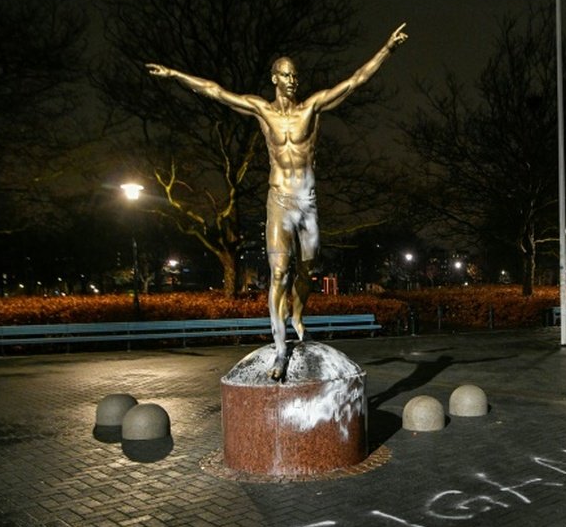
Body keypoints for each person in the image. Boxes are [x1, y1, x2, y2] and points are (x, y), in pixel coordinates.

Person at [147, 24, 408, 379]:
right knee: (279, 272)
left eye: (295, 76)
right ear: (274, 78)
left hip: (308, 203)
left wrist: (387, 49)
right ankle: (280, 350)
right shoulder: (261, 110)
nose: (291, 80)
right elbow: (216, 92)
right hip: (279, 200)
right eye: (285, 75)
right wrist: (174, 74)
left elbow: (354, 81)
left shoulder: (312, 108)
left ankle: (298, 313)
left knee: (306, 271)